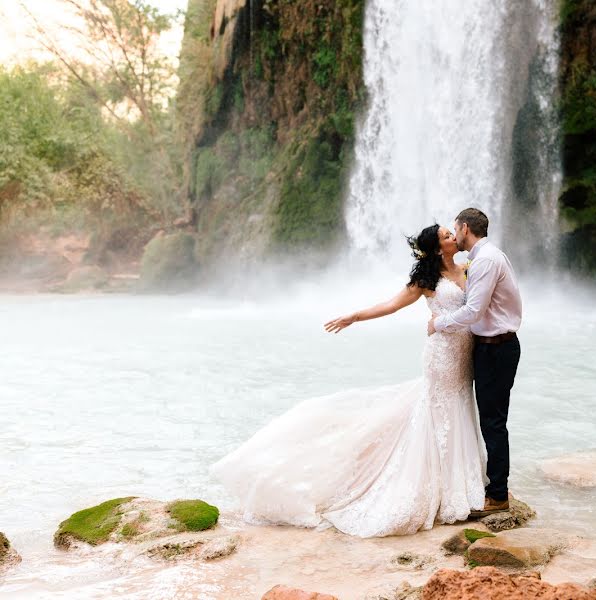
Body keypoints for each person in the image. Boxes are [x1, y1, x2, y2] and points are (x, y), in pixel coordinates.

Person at [211, 224, 487, 537]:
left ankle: (461, 483)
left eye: (453, 233)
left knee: (460, 407)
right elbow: (391, 305)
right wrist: (354, 316)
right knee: (439, 412)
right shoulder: (426, 281)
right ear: (438, 249)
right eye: (447, 236)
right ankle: (442, 489)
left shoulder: (468, 269)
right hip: (441, 356)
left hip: (465, 355)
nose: (453, 237)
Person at [428, 208, 522, 516]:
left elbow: (473, 312)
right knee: (492, 420)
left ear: (465, 228)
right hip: (491, 347)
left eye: (455, 231)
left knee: (493, 423)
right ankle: (495, 486)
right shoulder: (485, 258)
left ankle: (497, 496)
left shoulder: (484, 260)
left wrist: (438, 323)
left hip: (496, 348)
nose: (454, 237)